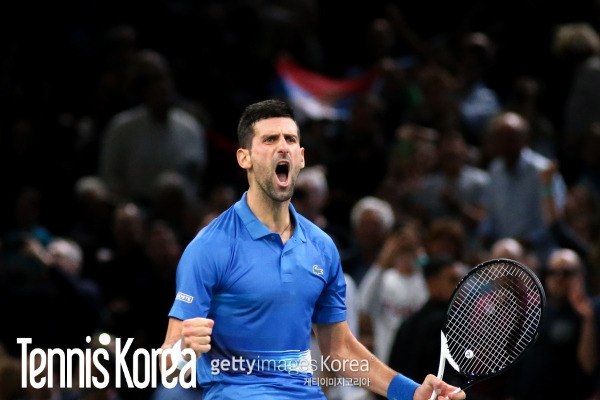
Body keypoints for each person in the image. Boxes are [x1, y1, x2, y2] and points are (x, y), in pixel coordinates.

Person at [160, 99, 465, 400]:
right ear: (245, 158)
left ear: (301, 157)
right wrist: (184, 352)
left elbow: (340, 349)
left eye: (290, 139)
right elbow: (169, 365)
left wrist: (411, 393)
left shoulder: (321, 247)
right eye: (269, 139)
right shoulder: (209, 247)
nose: (283, 147)